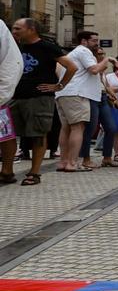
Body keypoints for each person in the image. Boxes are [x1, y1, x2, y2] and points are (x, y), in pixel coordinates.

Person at [1, 18, 75, 185]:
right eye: (13, 29)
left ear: (32, 29)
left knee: (38, 134)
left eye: (18, 28)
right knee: (7, 134)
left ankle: (34, 173)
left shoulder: (47, 47)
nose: (14, 32)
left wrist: (59, 86)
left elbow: (71, 66)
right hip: (14, 96)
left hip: (39, 97)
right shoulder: (15, 46)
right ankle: (7, 171)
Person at [55, 31, 106, 173]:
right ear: (84, 41)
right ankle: (72, 163)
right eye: (94, 41)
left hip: (64, 93)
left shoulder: (73, 54)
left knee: (66, 128)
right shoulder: (83, 51)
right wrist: (107, 61)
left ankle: (63, 162)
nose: (97, 43)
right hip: (77, 93)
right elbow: (94, 70)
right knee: (78, 128)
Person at [98, 58, 118, 167]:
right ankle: (84, 157)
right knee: (88, 129)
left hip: (105, 101)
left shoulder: (104, 75)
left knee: (111, 128)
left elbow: (107, 88)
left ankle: (107, 158)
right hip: (93, 99)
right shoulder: (92, 70)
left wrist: (115, 98)